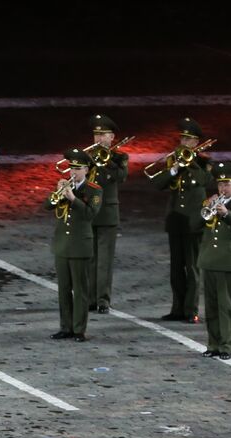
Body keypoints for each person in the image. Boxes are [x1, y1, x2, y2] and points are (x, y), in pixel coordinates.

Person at [155, 117, 212, 323]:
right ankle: (177, 308)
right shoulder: (173, 161)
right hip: (175, 221)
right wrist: (174, 169)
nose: (184, 143)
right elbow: (158, 183)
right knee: (176, 267)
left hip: (193, 222)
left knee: (192, 267)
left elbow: (205, 181)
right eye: (182, 139)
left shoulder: (204, 163)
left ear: (196, 142)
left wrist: (192, 163)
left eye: (188, 140)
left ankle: (191, 310)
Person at [197, 163, 231, 360]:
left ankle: (226, 346)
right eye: (220, 184)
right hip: (209, 260)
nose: (223, 188)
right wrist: (206, 207)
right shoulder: (209, 202)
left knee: (226, 306)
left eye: (227, 184)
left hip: (227, 261)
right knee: (211, 306)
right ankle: (213, 344)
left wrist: (227, 214)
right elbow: (196, 225)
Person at [48, 149, 102, 342]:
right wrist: (58, 192)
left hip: (80, 246)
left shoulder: (94, 190)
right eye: (71, 168)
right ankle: (65, 327)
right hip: (62, 245)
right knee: (63, 289)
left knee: (80, 290)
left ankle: (79, 329)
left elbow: (90, 214)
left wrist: (73, 198)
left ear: (86, 170)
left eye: (77, 169)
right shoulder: (64, 186)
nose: (73, 172)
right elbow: (48, 204)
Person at [88, 114, 128, 314]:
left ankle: (103, 299)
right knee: (89, 258)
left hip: (108, 213)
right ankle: (89, 298)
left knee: (104, 260)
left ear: (112, 137)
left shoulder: (119, 157)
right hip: (88, 211)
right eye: (96, 134)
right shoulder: (85, 156)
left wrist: (108, 161)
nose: (98, 138)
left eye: (103, 134)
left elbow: (120, 177)